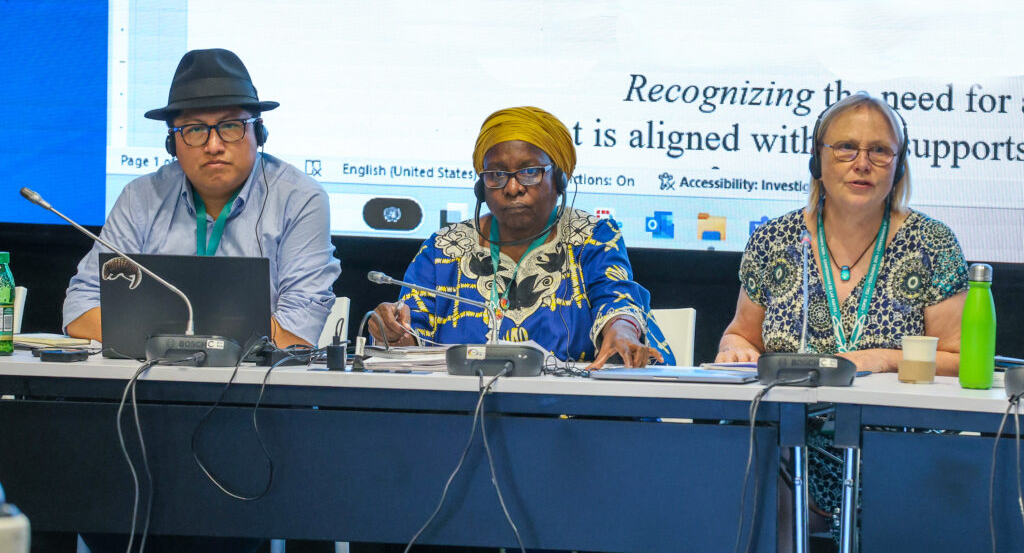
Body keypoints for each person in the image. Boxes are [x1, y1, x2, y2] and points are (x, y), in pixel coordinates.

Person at [715, 90, 968, 541]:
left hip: (892, 447)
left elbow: (962, 359)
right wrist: (734, 351)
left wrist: (886, 358)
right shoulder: (775, 240)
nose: (862, 163)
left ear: (899, 165)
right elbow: (741, 336)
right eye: (846, 147)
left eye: (880, 151)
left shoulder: (932, 245)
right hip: (788, 448)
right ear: (818, 160)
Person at [63, 48, 340, 348]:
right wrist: (196, 346)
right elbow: (81, 308)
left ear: (259, 132)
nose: (214, 145)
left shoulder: (300, 199)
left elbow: (295, 332)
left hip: (257, 388)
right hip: (147, 385)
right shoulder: (140, 198)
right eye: (195, 130)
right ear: (172, 142)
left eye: (230, 126)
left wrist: (167, 340)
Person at [370, 106, 669, 369]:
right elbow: (411, 335)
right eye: (496, 175)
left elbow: (615, 297)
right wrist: (393, 331)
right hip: (460, 411)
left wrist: (623, 331)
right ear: (481, 187)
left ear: (560, 180)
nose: (512, 188)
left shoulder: (592, 238)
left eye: (529, 172)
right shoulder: (444, 247)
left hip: (569, 413)